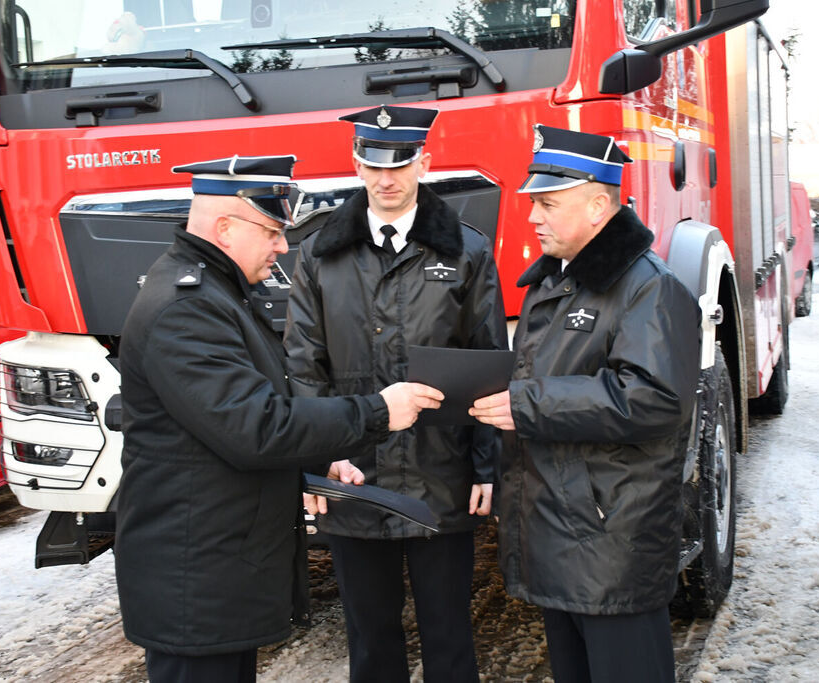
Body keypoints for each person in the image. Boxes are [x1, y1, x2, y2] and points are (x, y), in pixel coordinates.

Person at [115, 155, 443, 683]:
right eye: (271, 231)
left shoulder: (213, 294)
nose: (283, 247)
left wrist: (314, 461)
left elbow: (243, 419)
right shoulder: (187, 308)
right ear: (225, 228)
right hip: (194, 583)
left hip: (210, 572)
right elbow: (256, 428)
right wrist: (379, 410)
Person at [283, 105, 508, 683]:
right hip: (352, 472)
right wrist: (319, 460)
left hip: (442, 471)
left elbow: (488, 365)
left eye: (401, 164)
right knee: (370, 637)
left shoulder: (467, 251)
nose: (387, 179)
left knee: (450, 634)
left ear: (423, 163)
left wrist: (486, 467)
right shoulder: (318, 255)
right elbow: (305, 367)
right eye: (374, 165)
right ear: (355, 165)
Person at [470, 125, 701, 683]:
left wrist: (529, 403)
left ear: (599, 206)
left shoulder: (649, 287)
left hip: (610, 540)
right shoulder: (558, 283)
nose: (532, 217)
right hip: (567, 531)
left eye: (547, 203)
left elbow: (653, 397)